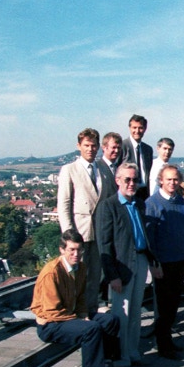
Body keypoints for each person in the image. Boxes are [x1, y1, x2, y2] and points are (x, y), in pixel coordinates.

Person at [31, 229, 121, 367]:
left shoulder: (80, 268)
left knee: (111, 320)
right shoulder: (52, 272)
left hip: (69, 315)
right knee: (91, 329)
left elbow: (80, 297)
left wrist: (83, 314)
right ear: (62, 250)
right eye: (71, 250)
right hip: (51, 324)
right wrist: (81, 320)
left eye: (79, 250)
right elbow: (52, 311)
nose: (76, 254)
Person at [97, 163, 153, 367]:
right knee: (122, 312)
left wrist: (152, 261)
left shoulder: (139, 204)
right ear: (117, 180)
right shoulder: (108, 206)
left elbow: (144, 235)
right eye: (127, 179)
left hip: (140, 260)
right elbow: (104, 244)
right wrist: (112, 275)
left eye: (135, 180)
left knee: (136, 310)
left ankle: (132, 351)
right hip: (122, 266)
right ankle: (120, 356)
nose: (131, 183)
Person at [145, 166, 184, 359]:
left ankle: (169, 341)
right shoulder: (152, 203)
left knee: (173, 303)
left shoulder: (181, 201)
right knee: (163, 306)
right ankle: (162, 345)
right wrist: (154, 263)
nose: (172, 183)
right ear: (160, 181)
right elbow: (150, 237)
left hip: (179, 260)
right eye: (168, 179)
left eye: (175, 179)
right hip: (162, 263)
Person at [57, 128, 105, 314]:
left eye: (94, 146)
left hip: (99, 233)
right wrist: (69, 236)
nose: (90, 149)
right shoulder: (69, 170)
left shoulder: (102, 169)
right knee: (76, 279)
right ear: (79, 146)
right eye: (86, 145)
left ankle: (91, 313)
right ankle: (74, 316)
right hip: (80, 233)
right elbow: (64, 204)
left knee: (94, 278)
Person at [120, 115, 154, 200]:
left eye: (140, 128)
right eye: (134, 128)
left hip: (144, 192)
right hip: (128, 191)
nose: (137, 131)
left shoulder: (148, 149)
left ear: (145, 129)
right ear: (129, 128)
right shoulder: (122, 146)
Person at [97, 132, 122, 200]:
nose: (116, 151)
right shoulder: (97, 168)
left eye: (119, 148)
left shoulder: (119, 168)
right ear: (104, 148)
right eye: (113, 147)